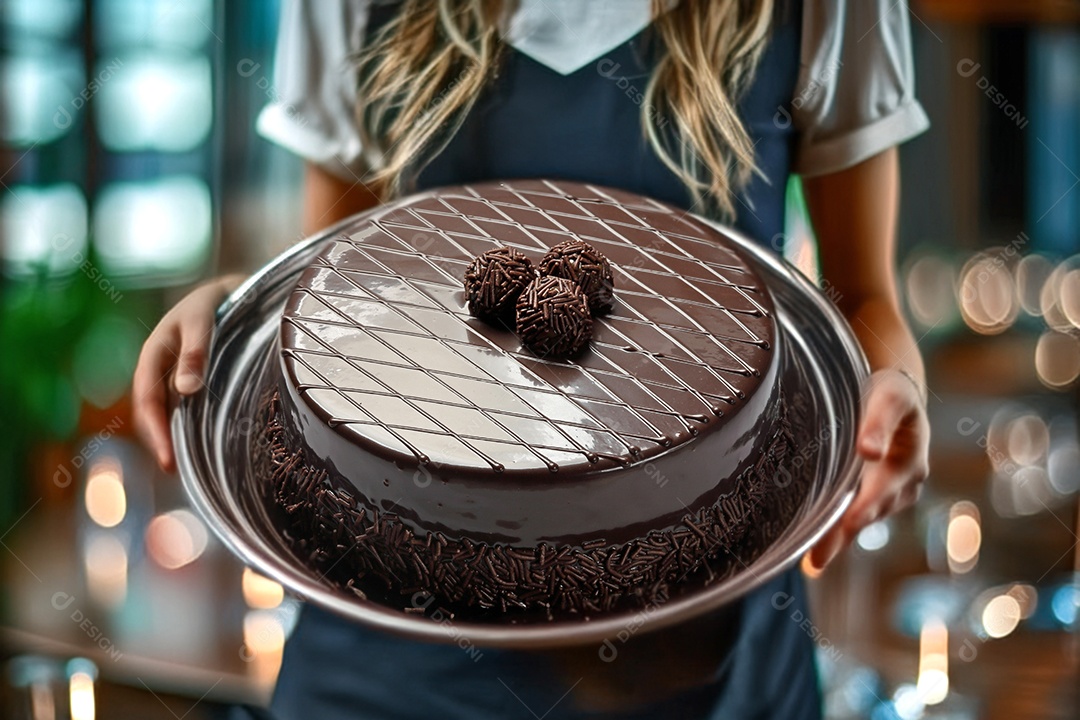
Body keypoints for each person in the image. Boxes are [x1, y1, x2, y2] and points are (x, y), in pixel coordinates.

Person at [133, 1, 932, 717]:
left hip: (711, 670)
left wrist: (894, 391)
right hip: (381, 666)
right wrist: (237, 306)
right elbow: (338, 287)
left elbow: (864, 300)